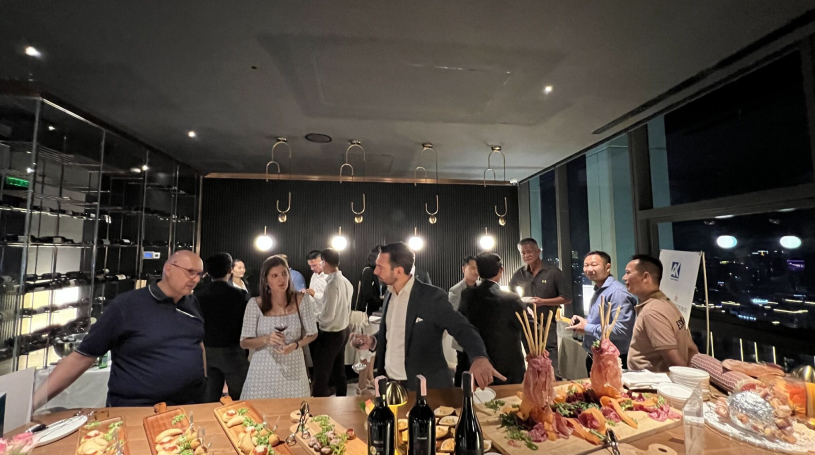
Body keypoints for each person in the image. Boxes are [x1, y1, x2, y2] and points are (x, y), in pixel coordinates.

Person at [32, 251, 206, 408]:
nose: (196, 279)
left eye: (199, 274)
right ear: (168, 269)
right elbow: (82, 357)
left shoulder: (192, 303)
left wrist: (204, 379)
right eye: (190, 272)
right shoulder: (126, 306)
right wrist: (33, 404)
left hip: (190, 405)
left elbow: (197, 341)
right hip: (138, 408)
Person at [351, 242, 505, 390]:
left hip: (424, 388)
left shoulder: (431, 296)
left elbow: (462, 328)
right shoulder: (389, 294)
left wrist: (479, 357)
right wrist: (373, 341)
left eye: (380, 267)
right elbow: (393, 331)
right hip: (391, 385)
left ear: (398, 271)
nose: (375, 272)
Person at [240, 255, 318, 399]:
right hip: (262, 371)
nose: (281, 279)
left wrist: (296, 345)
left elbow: (312, 333)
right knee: (259, 411)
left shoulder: (301, 300)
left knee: (296, 409)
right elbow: (244, 342)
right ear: (266, 280)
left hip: (294, 369)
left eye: (284, 273)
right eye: (274, 276)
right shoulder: (255, 304)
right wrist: (266, 339)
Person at [623, 254, 699, 372]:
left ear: (645, 277)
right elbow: (691, 348)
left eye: (628, 273)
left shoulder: (652, 312)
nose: (624, 277)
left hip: (650, 381)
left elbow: (676, 364)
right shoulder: (665, 303)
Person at [459, 253, 526, 385]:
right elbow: (529, 328)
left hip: (476, 365)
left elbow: (461, 323)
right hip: (508, 367)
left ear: (478, 271)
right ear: (501, 269)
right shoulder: (511, 299)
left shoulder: (467, 295)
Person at [509, 238, 572, 376]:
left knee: (549, 357)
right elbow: (511, 295)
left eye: (529, 252)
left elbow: (567, 298)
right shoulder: (519, 274)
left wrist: (543, 301)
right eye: (523, 253)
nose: (526, 255)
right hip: (527, 324)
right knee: (532, 357)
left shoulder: (553, 272)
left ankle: (552, 384)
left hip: (547, 324)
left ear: (538, 251)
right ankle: (535, 386)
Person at [567, 251, 637, 372]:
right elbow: (600, 320)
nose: (589, 269)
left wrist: (587, 327)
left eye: (594, 265)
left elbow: (622, 330)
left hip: (613, 360)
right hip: (596, 356)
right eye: (586, 265)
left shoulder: (617, 293)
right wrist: (584, 322)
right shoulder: (600, 289)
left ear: (607, 267)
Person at [198, 253, 250, 402]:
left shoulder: (198, 296)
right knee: (240, 398)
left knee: (209, 398)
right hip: (233, 351)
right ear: (229, 270)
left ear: (208, 272)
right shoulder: (240, 295)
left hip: (206, 351)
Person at [308, 248, 353, 396]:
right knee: (338, 372)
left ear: (324, 262)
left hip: (331, 334)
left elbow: (328, 315)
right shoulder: (346, 281)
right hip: (342, 331)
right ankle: (342, 401)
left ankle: (318, 406)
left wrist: (315, 319)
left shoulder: (332, 284)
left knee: (321, 374)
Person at [448, 255, 479, 386]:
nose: (476, 271)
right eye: (472, 268)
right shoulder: (455, 291)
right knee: (463, 369)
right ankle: (458, 394)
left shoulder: (482, 287)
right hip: (463, 338)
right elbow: (454, 315)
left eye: (478, 268)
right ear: (463, 269)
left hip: (480, 337)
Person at [356, 246, 384, 315]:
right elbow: (366, 293)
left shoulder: (379, 272)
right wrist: (380, 301)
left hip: (376, 308)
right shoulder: (368, 271)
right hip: (367, 310)